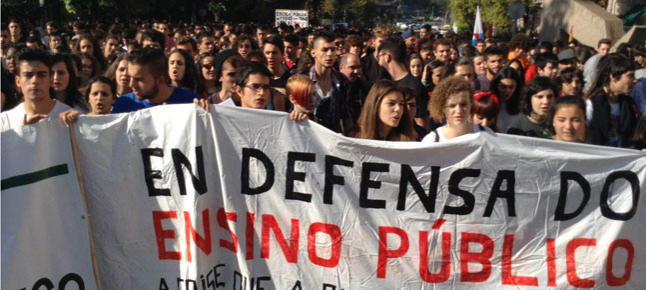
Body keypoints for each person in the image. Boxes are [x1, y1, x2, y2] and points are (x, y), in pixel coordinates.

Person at [1, 48, 73, 130]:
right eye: (28, 75)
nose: (35, 81)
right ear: (18, 81)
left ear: (51, 80)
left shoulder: (70, 117)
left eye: (41, 75)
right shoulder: (4, 122)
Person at [112, 47, 200, 113]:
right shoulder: (123, 104)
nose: (131, 84)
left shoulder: (189, 102)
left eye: (139, 79)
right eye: (130, 77)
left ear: (160, 80)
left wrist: (203, 111)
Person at [586, 54, 638, 147]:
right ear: (613, 77)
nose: (635, 80)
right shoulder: (591, 105)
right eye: (630, 76)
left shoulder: (629, 104)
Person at [378, 37, 429, 129]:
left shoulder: (415, 86)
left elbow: (422, 121)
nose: (378, 60)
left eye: (379, 56)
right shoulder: (387, 83)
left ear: (387, 57)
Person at [308, 31, 354, 134]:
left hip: (334, 140)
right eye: (324, 50)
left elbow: (347, 116)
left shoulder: (343, 82)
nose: (329, 54)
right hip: (307, 139)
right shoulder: (302, 79)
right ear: (313, 53)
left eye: (333, 50)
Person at [422, 76, 492, 142]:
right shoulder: (431, 141)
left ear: (471, 104)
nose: (459, 110)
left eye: (463, 104)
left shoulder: (487, 134)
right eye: (452, 106)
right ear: (442, 107)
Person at [490, 67, 523, 132]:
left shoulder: (521, 106)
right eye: (503, 87)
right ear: (496, 85)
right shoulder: (489, 102)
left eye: (511, 87)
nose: (507, 91)